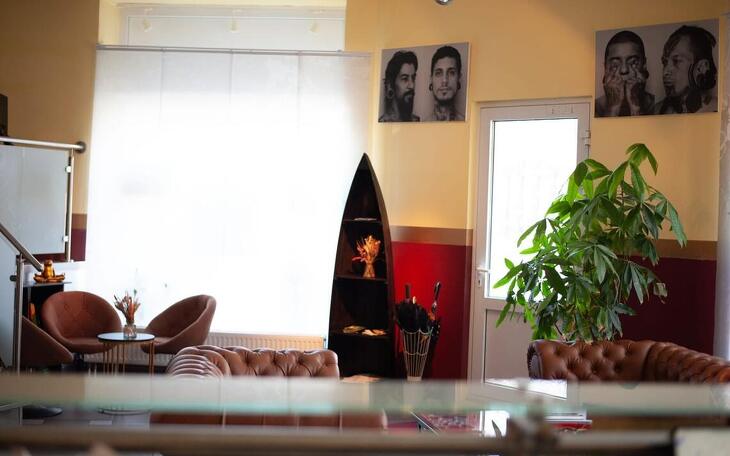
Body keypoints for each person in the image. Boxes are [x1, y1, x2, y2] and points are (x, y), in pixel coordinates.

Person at [653, 25, 717, 114]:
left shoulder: (721, 109)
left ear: (701, 67)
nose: (665, 72)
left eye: (676, 61)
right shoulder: (656, 111)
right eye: (665, 62)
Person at [595, 30, 654, 117]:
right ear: (605, 69)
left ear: (644, 65)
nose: (624, 70)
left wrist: (636, 106)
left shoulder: (658, 106)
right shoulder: (595, 108)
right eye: (615, 64)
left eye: (633, 62)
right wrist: (613, 108)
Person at [425, 45, 464, 121]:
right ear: (431, 79)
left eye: (451, 72)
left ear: (459, 77)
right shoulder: (420, 125)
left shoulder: (469, 122)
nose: (445, 80)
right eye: (438, 73)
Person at [379, 51, 420, 122]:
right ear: (390, 85)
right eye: (405, 79)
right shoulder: (382, 123)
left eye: (413, 78)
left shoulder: (417, 121)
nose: (412, 86)